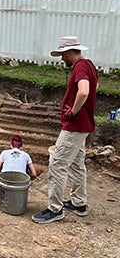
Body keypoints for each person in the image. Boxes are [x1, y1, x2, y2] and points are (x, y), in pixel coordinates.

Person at [32, 36, 97, 224]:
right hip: (83, 125)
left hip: (75, 126)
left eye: (63, 55)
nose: (62, 59)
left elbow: (84, 91)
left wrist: (72, 111)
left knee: (57, 164)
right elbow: (94, 87)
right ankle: (79, 203)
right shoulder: (90, 65)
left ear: (70, 52)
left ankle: (55, 208)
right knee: (77, 164)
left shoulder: (80, 67)